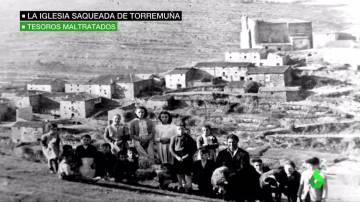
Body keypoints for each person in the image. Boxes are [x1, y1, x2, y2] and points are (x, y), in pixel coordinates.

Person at [216, 134, 258, 201]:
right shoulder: (222, 154)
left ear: (237, 142)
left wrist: (231, 175)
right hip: (225, 180)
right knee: (227, 198)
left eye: (233, 142)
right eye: (229, 142)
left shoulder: (244, 154)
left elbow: (243, 168)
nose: (231, 144)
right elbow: (218, 166)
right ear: (227, 142)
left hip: (239, 181)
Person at [169, 124, 197, 193]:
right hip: (177, 157)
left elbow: (194, 148)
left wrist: (187, 155)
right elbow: (171, 149)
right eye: (179, 129)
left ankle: (189, 187)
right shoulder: (174, 137)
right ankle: (180, 186)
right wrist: (176, 156)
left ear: (184, 130)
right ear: (176, 130)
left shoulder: (188, 137)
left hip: (187, 157)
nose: (180, 130)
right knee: (179, 172)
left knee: (188, 172)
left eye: (182, 129)